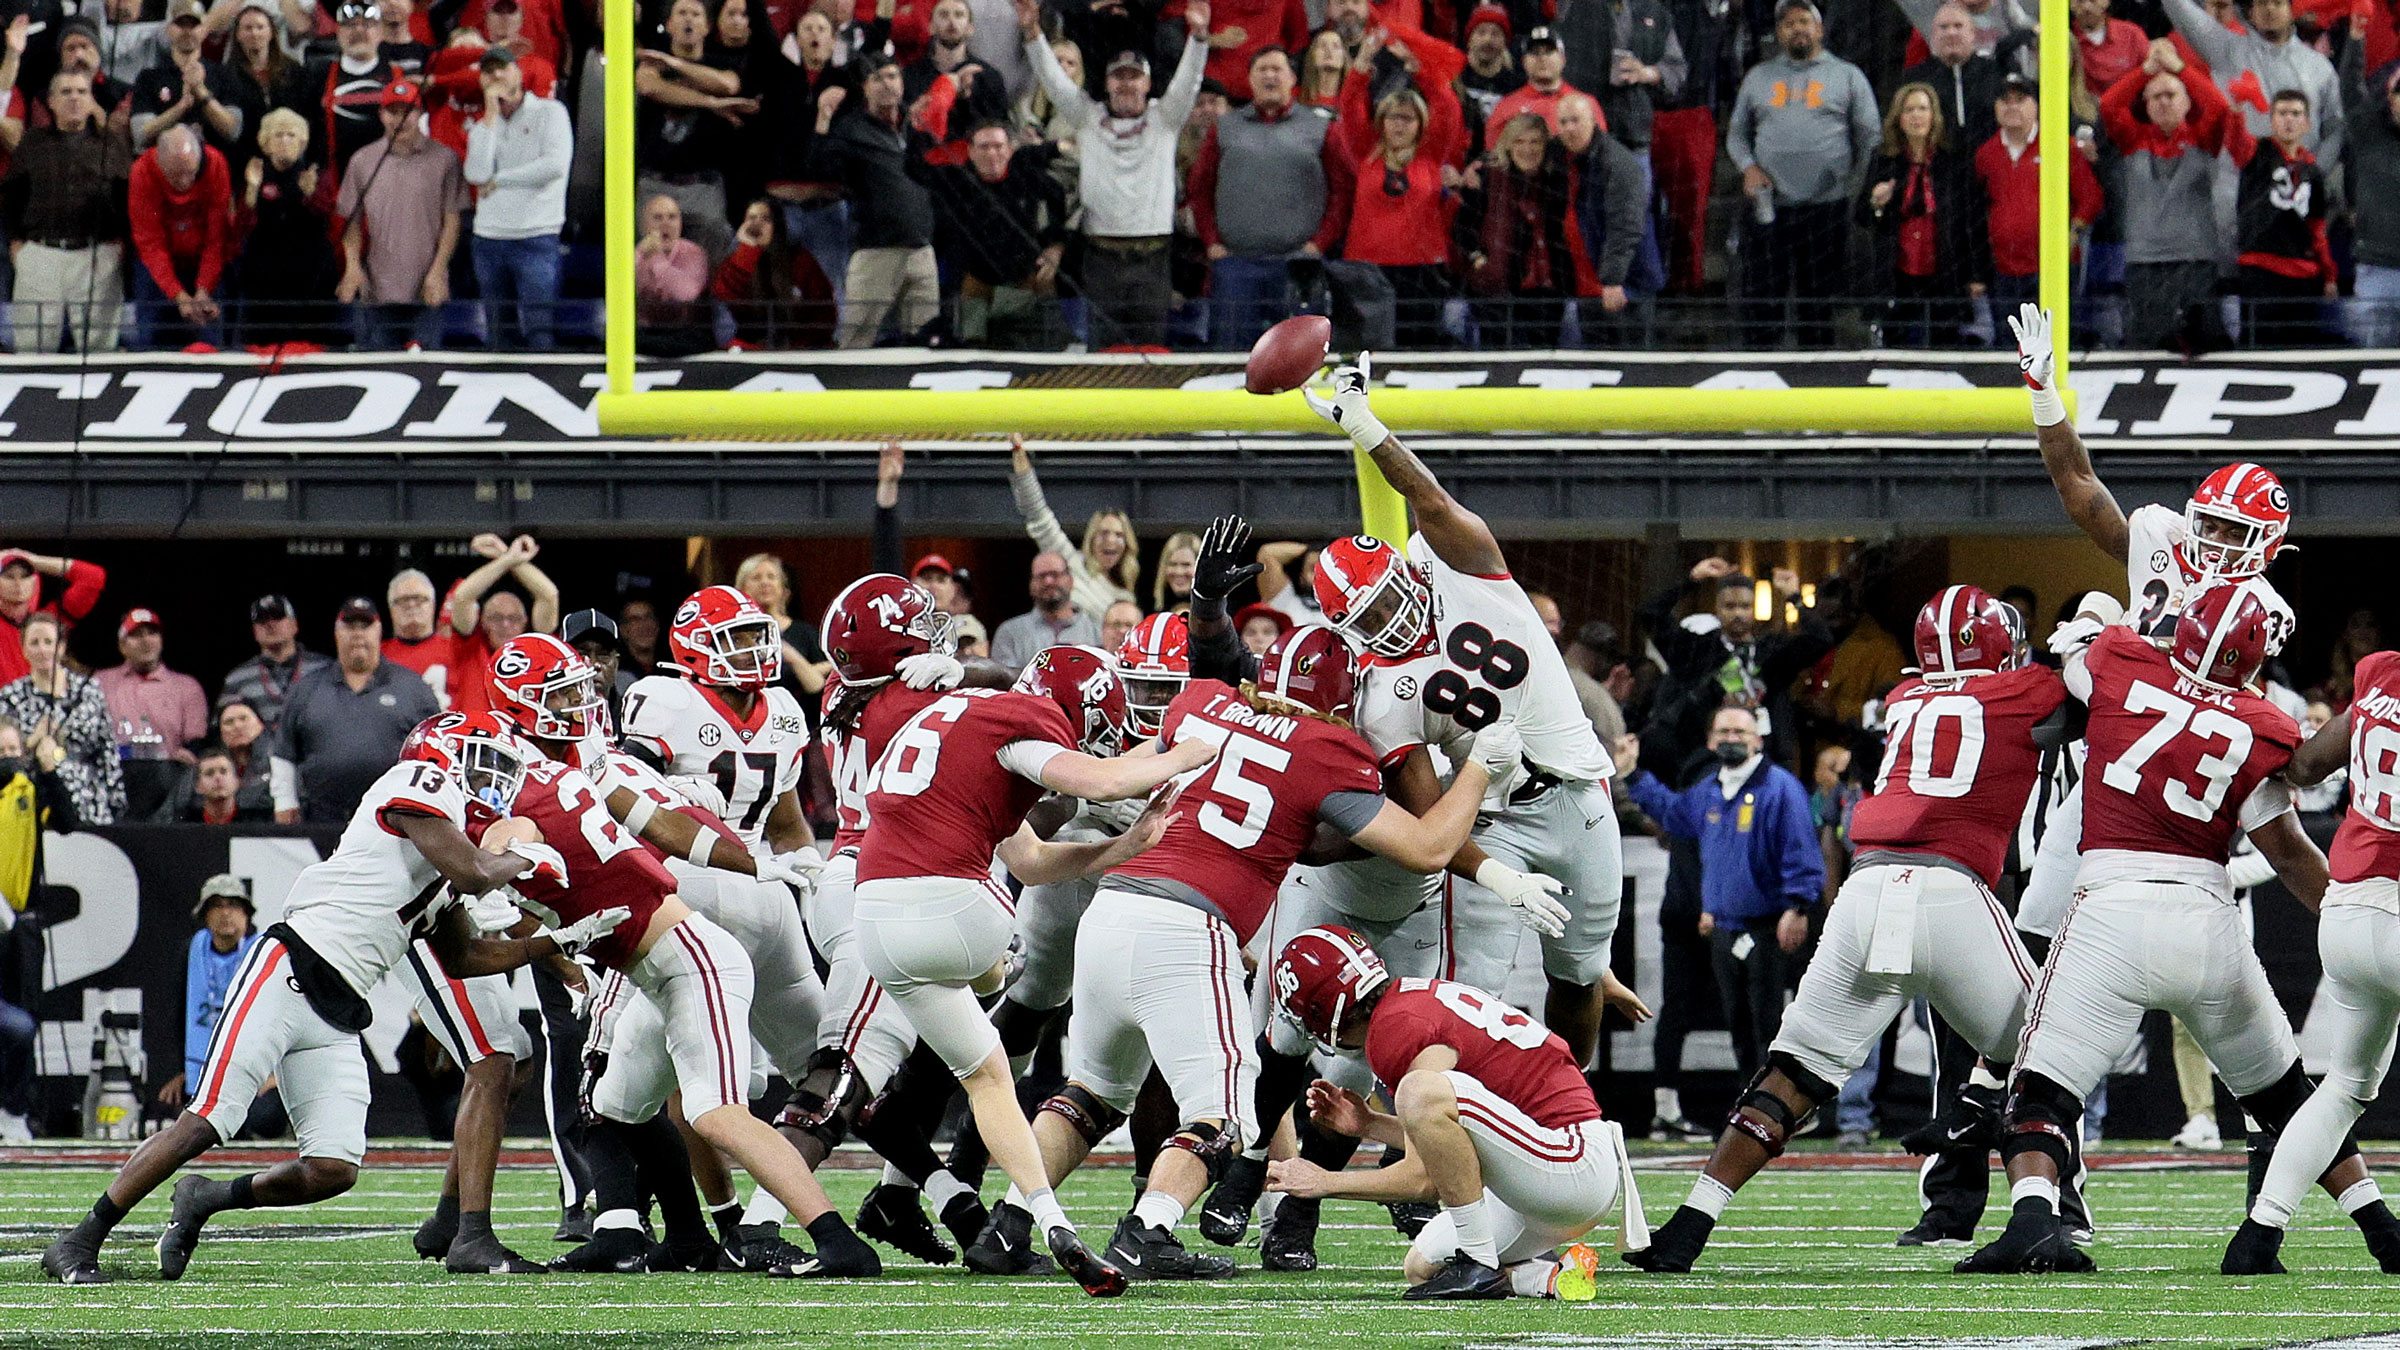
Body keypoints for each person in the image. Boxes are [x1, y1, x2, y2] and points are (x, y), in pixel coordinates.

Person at [982, 625, 1512, 1281]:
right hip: (1186, 927)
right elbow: (1428, 848)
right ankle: (1147, 1231)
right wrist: (1484, 766)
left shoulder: (1199, 701)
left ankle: (1007, 1227)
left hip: (1112, 907)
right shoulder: (1327, 746)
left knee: (1089, 1094)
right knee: (1225, 1114)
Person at [38, 714, 627, 1285]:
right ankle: (80, 1238)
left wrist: (564, 940)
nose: (493, 782)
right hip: (288, 970)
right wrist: (525, 858)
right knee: (207, 1121)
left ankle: (207, 1197)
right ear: (445, 757)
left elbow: (468, 957)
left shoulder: (444, 863)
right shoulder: (414, 785)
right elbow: (476, 873)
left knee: (333, 1170)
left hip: (338, 1009)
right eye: (483, 763)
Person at [1959, 583, 2390, 1276]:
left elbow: (2072, 651)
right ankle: (2380, 1228)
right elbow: (2287, 852)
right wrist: (2347, 912)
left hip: (2110, 909)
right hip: (2205, 921)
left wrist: (2094, 615)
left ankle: (2035, 1220)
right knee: (2285, 1095)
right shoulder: (2261, 722)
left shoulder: (2121, 658)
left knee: (2039, 1090)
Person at [1628, 587, 2061, 1272]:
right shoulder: (2027, 691)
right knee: (2043, 1060)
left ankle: (1689, 1224)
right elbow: (2097, 706)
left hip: (1866, 890)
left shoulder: (1904, 700)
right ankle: (2036, 1216)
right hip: (1950, 892)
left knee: (1793, 1070)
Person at [1299, 359, 1628, 1070]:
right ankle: (1462, 1129)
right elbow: (1428, 822)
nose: (1386, 622)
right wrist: (1502, 878)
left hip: (1581, 796)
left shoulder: (1460, 565)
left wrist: (1365, 427)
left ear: (1405, 573)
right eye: (1367, 619)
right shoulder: (1381, 697)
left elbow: (1431, 499)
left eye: (1387, 599)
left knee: (1578, 974)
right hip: (1493, 816)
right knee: (1474, 987)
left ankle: (1566, 1116)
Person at [851, 644, 1211, 1294]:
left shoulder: (957, 718)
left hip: (874, 915)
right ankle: (994, 970)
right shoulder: (1018, 724)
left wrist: (1122, 846)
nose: (1085, 740)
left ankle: (1041, 1223)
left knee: (987, 1074)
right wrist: (1193, 750)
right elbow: (1102, 782)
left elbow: (1031, 862)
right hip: (953, 908)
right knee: (1004, 970)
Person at [1264, 927, 1634, 1301]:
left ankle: (1478, 1262)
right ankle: (1548, 1277)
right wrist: (1370, 1124)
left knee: (1419, 1090)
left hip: (1571, 1161)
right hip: (1546, 1168)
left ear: (1322, 1010)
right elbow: (1449, 1140)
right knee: (1423, 1267)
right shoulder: (1408, 1002)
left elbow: (1422, 1181)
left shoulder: (1396, 1029)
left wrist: (1324, 1182)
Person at [2237, 647, 2400, 1271]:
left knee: (2345, 1087)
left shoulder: (2382, 674)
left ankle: (2259, 1234)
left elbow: (2303, 766)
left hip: (2348, 909)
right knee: (2344, 1087)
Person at [1622, 705, 1823, 1078]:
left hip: (1768, 924)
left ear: (1757, 739)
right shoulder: (1711, 789)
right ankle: (1753, 1105)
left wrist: (1798, 906)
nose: (1732, 739)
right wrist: (1634, 776)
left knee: (1769, 1023)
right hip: (1725, 926)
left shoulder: (1780, 788)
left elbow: (1800, 850)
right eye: (1724, 732)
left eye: (1740, 733)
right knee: (1739, 1023)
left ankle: (1777, 1107)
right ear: (1711, 740)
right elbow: (1675, 814)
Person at [1019, 0, 1210, 348]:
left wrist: (1198, 37)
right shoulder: (1087, 118)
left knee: (1150, 349)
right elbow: (1053, 78)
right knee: (1103, 352)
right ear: (1105, 83)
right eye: (1118, 77)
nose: (1126, 85)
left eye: (1134, 77)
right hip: (1100, 258)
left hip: (1154, 257)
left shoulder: (1165, 120)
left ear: (1148, 84)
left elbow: (1189, 81)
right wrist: (1032, 33)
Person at [1725, 0, 1878, 349]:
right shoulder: (1758, 77)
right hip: (1769, 208)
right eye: (1789, 23)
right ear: (1779, 33)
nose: (1798, 28)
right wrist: (1748, 167)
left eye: (1805, 21)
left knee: (1818, 299)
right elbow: (1736, 134)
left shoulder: (1847, 76)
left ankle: (1816, 374)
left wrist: (1853, 186)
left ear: (1820, 29)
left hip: (1827, 208)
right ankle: (1761, 371)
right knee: (1763, 297)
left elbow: (1871, 138)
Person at [1187, 45, 1343, 350]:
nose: (1270, 75)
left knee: (1300, 357)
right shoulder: (1225, 127)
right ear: (1250, 79)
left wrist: (1319, 243)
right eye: (1262, 70)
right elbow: (1200, 189)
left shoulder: (1321, 127)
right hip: (1236, 265)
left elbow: (1341, 192)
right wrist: (1211, 241)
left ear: (1293, 78)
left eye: (1277, 69)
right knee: (1231, 358)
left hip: (1300, 264)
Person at [2101, 40, 2234, 352]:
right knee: (2148, 344)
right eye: (2155, 96)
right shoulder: (2133, 139)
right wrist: (2144, 71)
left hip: (2196, 257)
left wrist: (2179, 69)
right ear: (2145, 105)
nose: (2163, 102)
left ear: (2188, 102)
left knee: (2205, 345)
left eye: (2171, 95)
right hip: (2145, 261)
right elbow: (2108, 106)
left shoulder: (2203, 137)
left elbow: (2220, 107)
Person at [1313, 73, 1461, 349]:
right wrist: (1361, 68)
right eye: (1393, 117)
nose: (1399, 125)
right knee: (1365, 349)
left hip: (1422, 272)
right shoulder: (1365, 153)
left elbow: (1449, 108)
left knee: (1418, 349)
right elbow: (1350, 104)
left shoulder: (1431, 155)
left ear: (1421, 124)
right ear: (1381, 121)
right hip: (1366, 272)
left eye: (1408, 118)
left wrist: (1423, 71)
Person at [270, 598, 442, 824]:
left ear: (379, 631)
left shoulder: (413, 687)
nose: (358, 634)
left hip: (393, 820)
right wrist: (284, 802)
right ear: (336, 633)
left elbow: (436, 753)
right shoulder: (306, 688)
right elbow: (284, 752)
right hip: (322, 820)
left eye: (365, 626)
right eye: (350, 626)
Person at [4, 69, 134, 355]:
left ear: (91, 101)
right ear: (51, 101)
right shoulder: (32, 143)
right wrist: (16, 243)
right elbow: (12, 195)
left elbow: (127, 199)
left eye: (81, 92)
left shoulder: (110, 144)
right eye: (66, 92)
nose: (74, 98)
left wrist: (120, 247)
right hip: (40, 254)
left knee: (100, 351)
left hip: (97, 256)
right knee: (32, 347)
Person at [334, 76, 466, 351]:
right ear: (381, 115)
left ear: (420, 114)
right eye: (392, 111)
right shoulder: (362, 160)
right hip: (377, 292)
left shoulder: (445, 159)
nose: (400, 119)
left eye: (408, 111)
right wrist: (353, 266)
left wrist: (438, 271)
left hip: (427, 291)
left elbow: (453, 222)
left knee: (427, 377)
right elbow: (351, 222)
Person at [1856, 81, 1986, 348]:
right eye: (1909, 110)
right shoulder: (1884, 159)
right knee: (1897, 346)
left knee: (1945, 345)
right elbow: (1861, 216)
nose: (1917, 116)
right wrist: (1877, 203)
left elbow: (1971, 220)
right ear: (1898, 118)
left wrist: (1976, 273)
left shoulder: (1953, 160)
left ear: (1934, 115)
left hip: (1944, 270)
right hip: (1898, 272)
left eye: (1923, 109)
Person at [1974, 74, 2102, 333]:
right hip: (2004, 270)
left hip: (2053, 269)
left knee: (2057, 343)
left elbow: (2091, 197)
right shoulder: (1985, 154)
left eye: (2020, 100)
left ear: (2036, 106)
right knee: (2010, 348)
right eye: (2005, 100)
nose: (2012, 106)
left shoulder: (2060, 147)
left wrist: (2074, 232)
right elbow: (1978, 208)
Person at [921, 122, 1068, 347]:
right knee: (971, 350)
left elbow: (1059, 203)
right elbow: (914, 167)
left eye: (999, 146)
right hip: (975, 283)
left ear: (1010, 149)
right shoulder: (956, 181)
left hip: (1026, 281)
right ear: (970, 152)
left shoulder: (1030, 179)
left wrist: (1056, 246)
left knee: (1036, 346)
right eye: (984, 147)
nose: (992, 154)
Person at [461, 48, 568, 351]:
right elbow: (477, 174)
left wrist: (501, 180)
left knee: (540, 332)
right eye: (488, 71)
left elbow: (554, 166)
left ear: (518, 73)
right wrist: (491, 115)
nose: (496, 76)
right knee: (498, 335)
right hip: (489, 239)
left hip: (536, 236)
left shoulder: (550, 112)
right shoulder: (483, 127)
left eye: (502, 68)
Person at [1456, 113, 1588, 347]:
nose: (1527, 149)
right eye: (1519, 141)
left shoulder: (1557, 179)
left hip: (1548, 287)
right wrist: (1480, 260)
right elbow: (1462, 227)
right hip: (1498, 288)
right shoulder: (1486, 177)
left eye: (1535, 141)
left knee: (1543, 358)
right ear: (1507, 145)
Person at [2161, 0, 2340, 172]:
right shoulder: (2227, 50)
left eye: (2277, 2)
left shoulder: (2319, 66)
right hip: (2240, 187)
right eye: (2261, 3)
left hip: (2301, 186)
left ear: (2291, 10)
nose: (2269, 9)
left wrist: (2316, 172)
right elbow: (2179, 8)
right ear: (2250, 14)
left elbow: (2335, 128)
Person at [156, 876, 273, 1130]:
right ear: (205, 914)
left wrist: (275, 1077)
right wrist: (180, 1070)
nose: (226, 913)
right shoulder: (192, 950)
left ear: (246, 914)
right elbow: (178, 1014)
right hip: (203, 1070)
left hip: (257, 1072)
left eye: (233, 905)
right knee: (162, 1111)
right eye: (217, 906)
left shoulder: (265, 953)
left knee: (262, 1119)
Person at [2230, 88, 2335, 346]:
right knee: (2258, 350)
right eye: (2282, 113)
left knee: (2299, 352)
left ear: (2307, 123)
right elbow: (2235, 141)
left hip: (2302, 277)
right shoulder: (2257, 153)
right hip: (2260, 272)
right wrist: (2236, 108)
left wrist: (2330, 274)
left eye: (2296, 114)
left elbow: (2317, 228)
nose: (2289, 120)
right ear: (2272, 120)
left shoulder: (2313, 171)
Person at [0, 612, 125, 825]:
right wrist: (32, 742)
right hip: (36, 803)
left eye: (49, 642)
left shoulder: (88, 690)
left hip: (90, 802)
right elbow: (6, 760)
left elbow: (107, 749)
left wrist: (117, 800)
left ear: (62, 647)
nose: (42, 650)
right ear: (24, 649)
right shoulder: (10, 696)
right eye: (35, 643)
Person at [232, 108, 337, 348]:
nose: (285, 141)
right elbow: (241, 229)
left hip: (308, 282)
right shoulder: (255, 174)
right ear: (266, 143)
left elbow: (328, 222)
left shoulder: (313, 175)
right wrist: (251, 191)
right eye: (278, 135)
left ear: (302, 142)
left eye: (291, 135)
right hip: (264, 282)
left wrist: (311, 194)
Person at [127, 124, 231, 350]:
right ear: (160, 163)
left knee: (210, 333)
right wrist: (179, 296)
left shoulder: (215, 164)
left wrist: (204, 290)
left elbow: (216, 238)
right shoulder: (142, 171)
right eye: (175, 175)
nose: (184, 182)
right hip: (158, 264)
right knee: (149, 341)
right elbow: (150, 243)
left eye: (190, 173)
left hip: (202, 259)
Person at [1008, 439, 1140, 616]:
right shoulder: (1072, 563)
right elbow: (1037, 514)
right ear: (1091, 538)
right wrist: (1018, 451)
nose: (1110, 540)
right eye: (1103, 533)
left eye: (1118, 535)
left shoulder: (1126, 596)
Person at [96, 606, 208, 809]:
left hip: (169, 786)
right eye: (136, 635)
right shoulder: (100, 683)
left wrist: (186, 754)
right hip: (114, 781)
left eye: (152, 633)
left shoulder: (186, 687)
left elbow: (196, 742)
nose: (146, 641)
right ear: (122, 645)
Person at [444, 533, 563, 716]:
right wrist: (507, 558)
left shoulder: (538, 652)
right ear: (483, 622)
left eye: (514, 618)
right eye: (496, 618)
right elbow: (463, 596)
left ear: (525, 623)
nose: (505, 624)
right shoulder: (470, 648)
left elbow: (549, 595)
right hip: (476, 739)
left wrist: (506, 555)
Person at [1555, 93, 1644, 325]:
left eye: (1576, 120)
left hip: (1624, 286)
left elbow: (1625, 225)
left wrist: (1613, 280)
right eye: (1563, 122)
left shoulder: (1617, 164)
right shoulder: (1567, 154)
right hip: (1591, 280)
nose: (1569, 128)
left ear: (1594, 121)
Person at [714, 198, 837, 349]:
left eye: (765, 219)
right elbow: (726, 294)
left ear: (777, 225)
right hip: (753, 346)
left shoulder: (801, 260)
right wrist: (749, 250)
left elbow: (824, 312)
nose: (757, 224)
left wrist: (800, 346)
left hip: (800, 347)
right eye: (751, 218)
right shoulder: (736, 261)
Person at [131, 0, 244, 157]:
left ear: (204, 28)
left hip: (211, 164)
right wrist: (181, 107)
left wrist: (200, 91)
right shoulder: (149, 77)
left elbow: (233, 131)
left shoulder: (223, 74)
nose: (187, 31)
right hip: (164, 162)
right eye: (181, 24)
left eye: (194, 25)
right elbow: (140, 135)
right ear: (169, 29)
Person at [309, 0, 397, 179]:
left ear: (380, 32)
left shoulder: (397, 76)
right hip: (335, 181)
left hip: (389, 178)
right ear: (338, 32)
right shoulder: (318, 76)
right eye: (350, 25)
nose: (359, 31)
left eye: (367, 25)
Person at [1901, 3, 2001, 155]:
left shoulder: (1996, 73)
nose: (1951, 33)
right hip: (1936, 168)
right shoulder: (1915, 79)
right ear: (1933, 36)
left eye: (1958, 26)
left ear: (1973, 33)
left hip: (1988, 164)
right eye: (1943, 27)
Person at [0, 552, 100, 692]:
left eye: (25, 576)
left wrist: (35, 560)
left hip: (47, 705)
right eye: (9, 576)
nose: (18, 583)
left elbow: (93, 577)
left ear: (35, 581)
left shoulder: (49, 621)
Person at [992, 553, 1103, 672]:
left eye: (1055, 575)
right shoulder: (1010, 632)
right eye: (1041, 576)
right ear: (1031, 584)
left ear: (1070, 580)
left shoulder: (1096, 629)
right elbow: (1004, 680)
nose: (1048, 582)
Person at [1483, 26, 1583, 148]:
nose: (1542, 58)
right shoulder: (1506, 108)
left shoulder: (1585, 106)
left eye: (1549, 51)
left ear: (1563, 59)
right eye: (1534, 52)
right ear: (1524, 61)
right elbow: (1494, 158)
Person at [180, 742, 269, 823]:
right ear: (198, 786)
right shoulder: (186, 823)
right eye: (209, 773)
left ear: (237, 781)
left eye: (223, 771)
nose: (217, 778)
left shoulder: (257, 821)